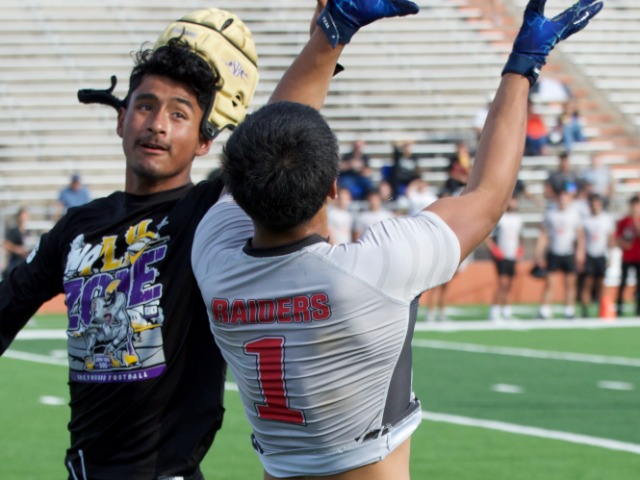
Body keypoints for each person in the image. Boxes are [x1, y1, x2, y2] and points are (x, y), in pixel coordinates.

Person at [191, 2, 602, 478]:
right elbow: (488, 196)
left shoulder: (213, 257)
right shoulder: (369, 274)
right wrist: (524, 66)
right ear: (333, 188)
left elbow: (263, 147)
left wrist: (328, 37)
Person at [0, 3, 354, 478]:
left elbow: (278, 131)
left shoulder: (207, 215)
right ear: (122, 119)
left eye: (179, 114)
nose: (158, 124)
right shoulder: (77, 226)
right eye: (145, 106)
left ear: (205, 141)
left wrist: (328, 40)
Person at [534, 189, 586, 319]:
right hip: (554, 252)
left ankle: (569, 310)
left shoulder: (574, 214)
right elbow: (544, 234)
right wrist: (538, 252)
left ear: (570, 200)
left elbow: (580, 236)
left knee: (570, 283)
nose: (563, 201)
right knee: (549, 283)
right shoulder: (551, 213)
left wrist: (580, 252)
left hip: (568, 252)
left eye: (565, 199)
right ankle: (545, 310)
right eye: (561, 199)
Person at [485, 196, 525, 321]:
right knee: (502, 283)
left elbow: (521, 236)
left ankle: (507, 310)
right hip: (501, 255)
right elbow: (487, 235)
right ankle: (494, 310)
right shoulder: (500, 218)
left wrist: (520, 249)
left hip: (512, 254)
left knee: (510, 284)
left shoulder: (519, 219)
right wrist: (494, 249)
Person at [579, 193, 614, 317]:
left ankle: (601, 308)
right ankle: (585, 310)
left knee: (600, 283)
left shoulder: (606, 219)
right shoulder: (586, 220)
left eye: (597, 203)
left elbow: (610, 239)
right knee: (587, 283)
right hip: (589, 254)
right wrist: (581, 255)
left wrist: (611, 255)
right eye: (593, 203)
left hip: (601, 254)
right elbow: (582, 239)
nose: (595, 206)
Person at [615, 194, 640, 316]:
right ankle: (619, 306)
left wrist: (636, 222)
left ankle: (638, 308)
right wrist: (624, 244)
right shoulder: (624, 221)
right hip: (627, 256)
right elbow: (617, 238)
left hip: (638, 256)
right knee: (623, 282)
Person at [2, 207, 31, 281]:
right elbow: (6, 244)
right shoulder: (13, 231)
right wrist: (17, 250)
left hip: (24, 262)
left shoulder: (27, 231)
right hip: (14, 263)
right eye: (22, 216)